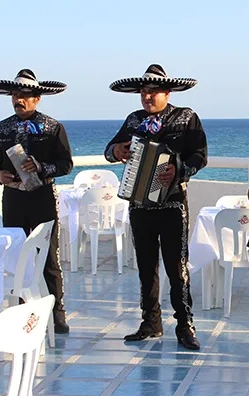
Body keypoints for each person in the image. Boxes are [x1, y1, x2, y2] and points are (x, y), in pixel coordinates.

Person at [104, 64, 207, 350]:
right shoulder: (133, 119)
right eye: (144, 92)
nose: (147, 97)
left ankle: (185, 325)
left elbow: (200, 156)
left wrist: (179, 170)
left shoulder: (186, 117)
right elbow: (109, 149)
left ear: (167, 92)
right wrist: (117, 151)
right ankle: (151, 321)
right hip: (139, 204)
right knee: (146, 266)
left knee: (177, 268)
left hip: (172, 203)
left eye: (153, 92)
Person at [0, 69, 72, 334]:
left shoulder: (53, 127)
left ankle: (57, 313)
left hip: (43, 198)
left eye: (24, 95)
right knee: (15, 256)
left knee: (48, 258)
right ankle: (22, 312)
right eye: (15, 95)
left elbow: (66, 164)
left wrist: (41, 167)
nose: (18, 99)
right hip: (13, 199)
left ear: (37, 99)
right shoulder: (1, 129)